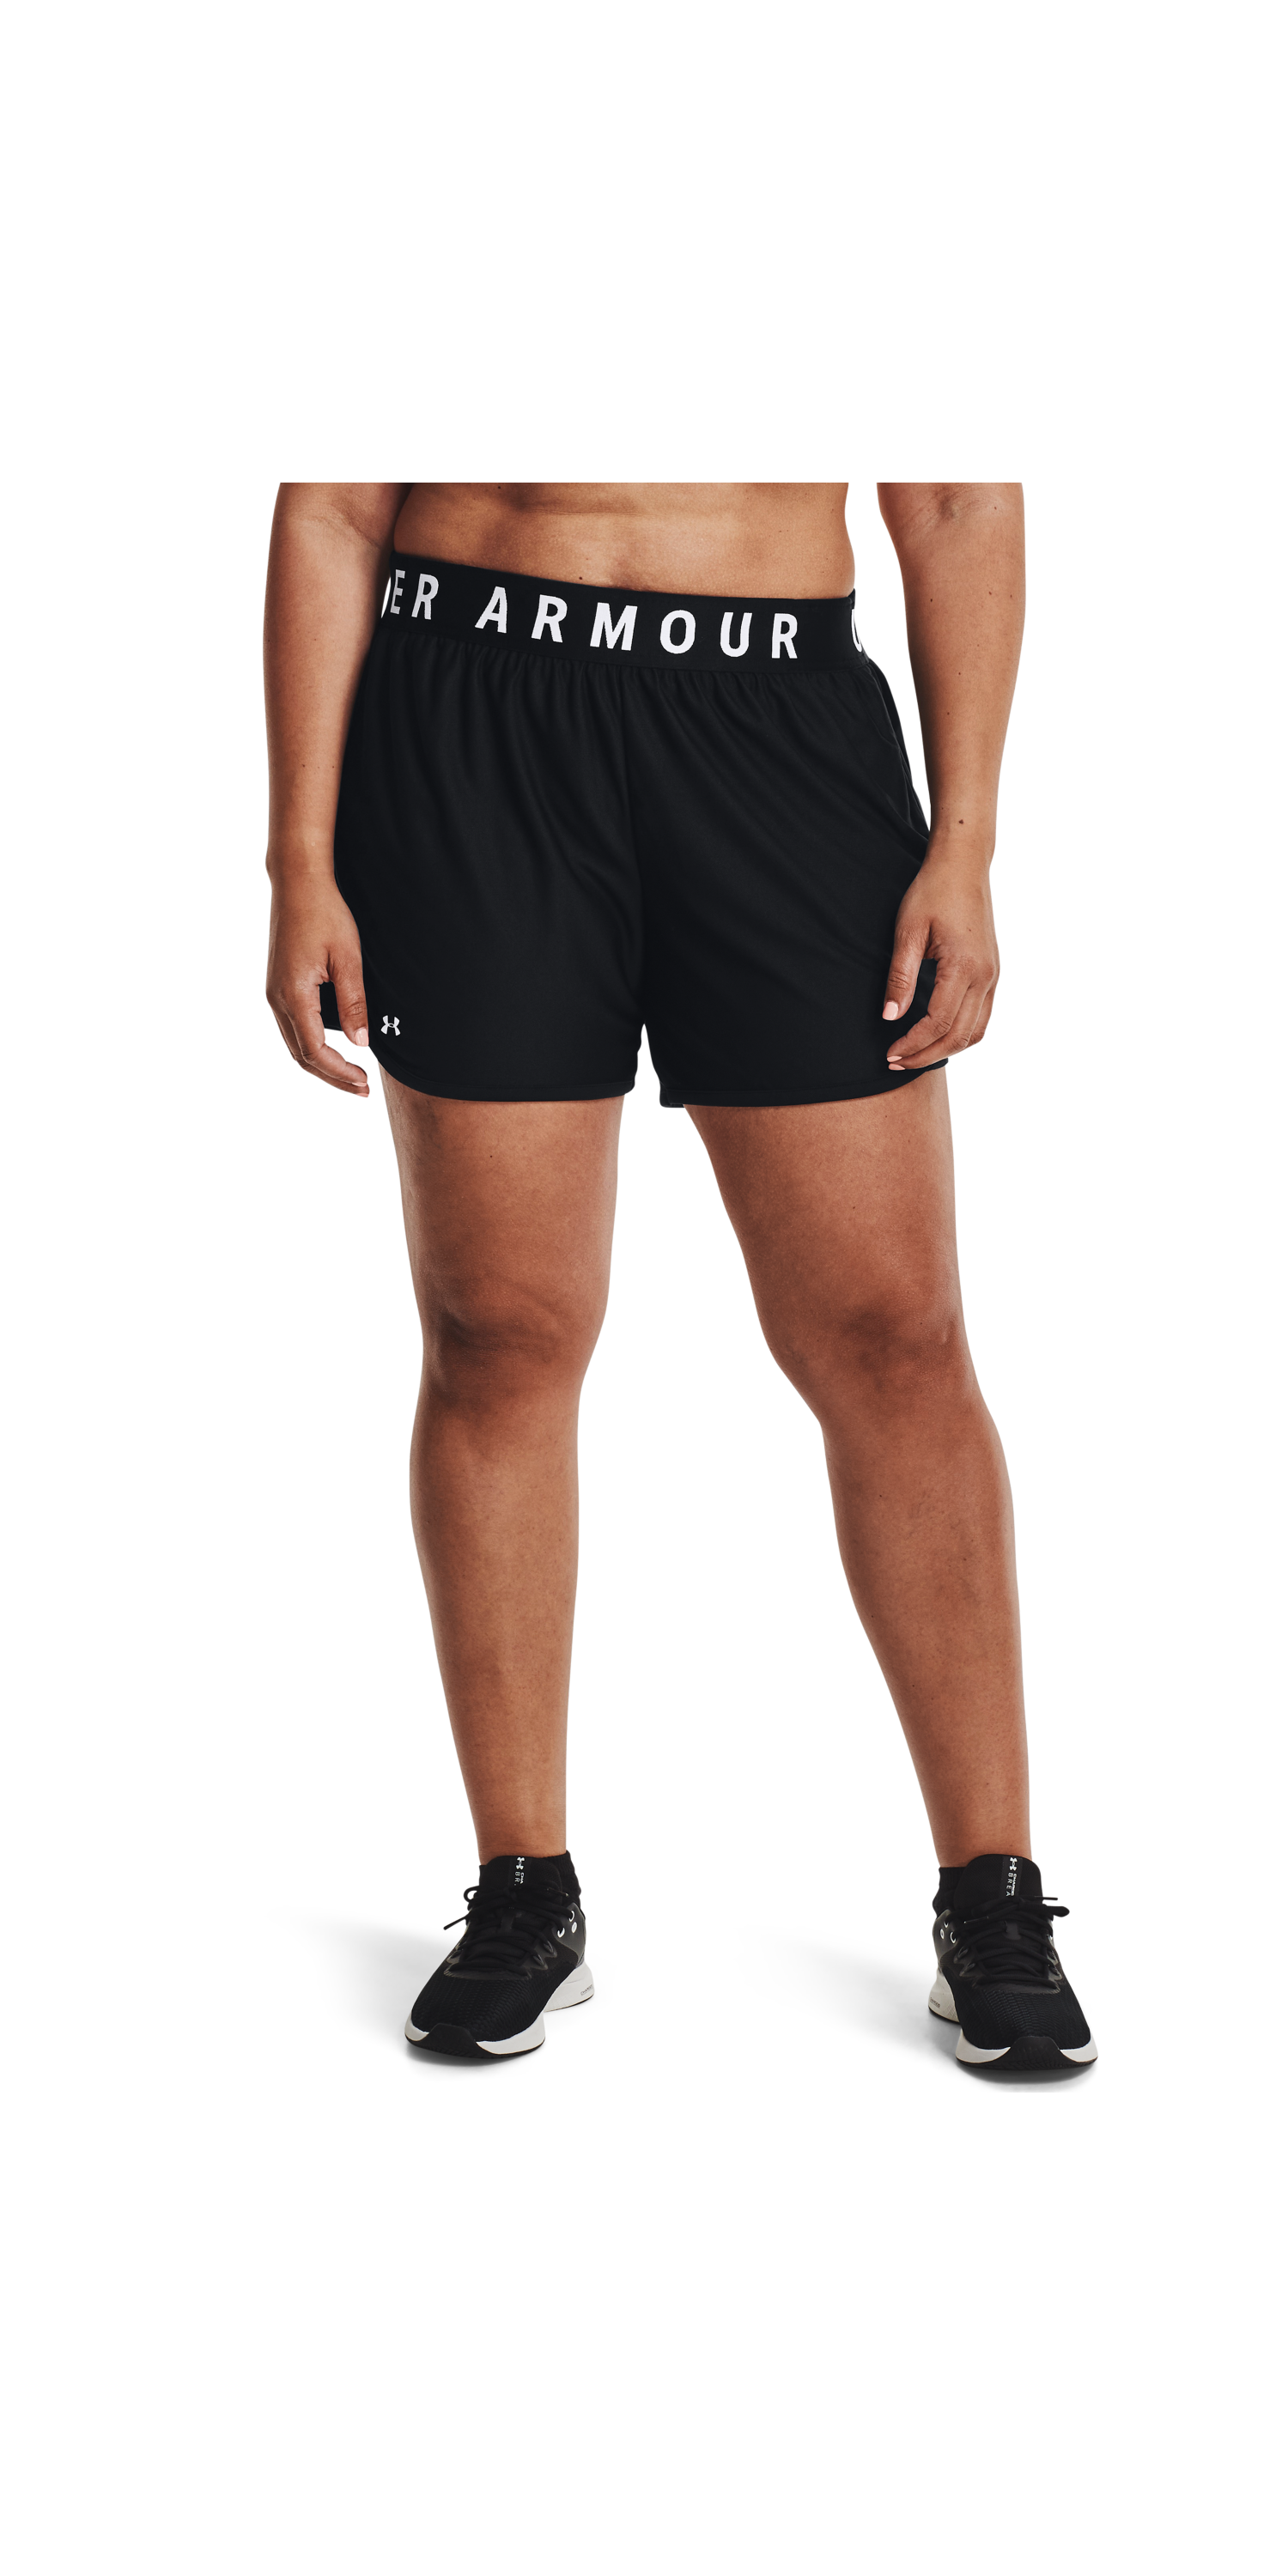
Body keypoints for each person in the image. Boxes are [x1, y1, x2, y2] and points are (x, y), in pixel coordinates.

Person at [263, 481, 1097, 2071]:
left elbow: (954, 505)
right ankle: (524, 1886)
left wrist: (970, 843)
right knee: (498, 1329)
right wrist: (300, 853)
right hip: (473, 714)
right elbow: (334, 513)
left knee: (891, 1334)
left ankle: (993, 1892)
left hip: (774, 721)